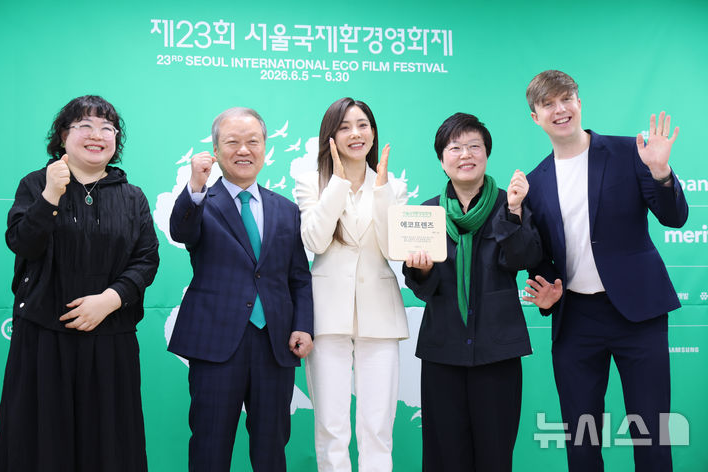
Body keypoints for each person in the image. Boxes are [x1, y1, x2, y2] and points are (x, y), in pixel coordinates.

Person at [522, 70, 688, 472]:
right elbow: (541, 257)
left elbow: (675, 217)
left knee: (652, 437)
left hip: (639, 314)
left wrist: (661, 173)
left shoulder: (630, 152)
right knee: (581, 443)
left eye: (566, 99)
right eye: (548, 104)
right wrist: (547, 295)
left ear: (579, 103)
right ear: (535, 117)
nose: (560, 109)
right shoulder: (534, 182)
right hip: (576, 320)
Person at [0, 95, 160, 471]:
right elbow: (23, 243)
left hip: (110, 338)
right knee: (40, 444)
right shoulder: (35, 184)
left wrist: (111, 299)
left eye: (106, 128)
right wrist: (51, 195)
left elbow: (146, 258)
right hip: (43, 339)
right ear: (63, 136)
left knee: (110, 445)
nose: (96, 135)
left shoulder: (132, 196)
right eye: (84, 126)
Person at [168, 107, 314, 471]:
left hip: (275, 345)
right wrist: (196, 187)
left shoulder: (286, 209)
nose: (244, 150)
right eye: (232, 142)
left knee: (271, 449)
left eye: (253, 141)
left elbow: (299, 277)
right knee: (210, 446)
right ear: (216, 150)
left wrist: (303, 325)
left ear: (265, 147)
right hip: (216, 344)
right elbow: (181, 232)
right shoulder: (201, 202)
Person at [403, 113, 542, 471]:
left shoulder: (509, 204)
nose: (465, 154)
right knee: (444, 455)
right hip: (443, 350)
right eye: (455, 148)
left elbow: (523, 259)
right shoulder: (427, 214)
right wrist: (422, 270)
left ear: (486, 154)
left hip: (497, 350)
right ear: (441, 159)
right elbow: (421, 288)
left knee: (495, 454)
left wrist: (514, 212)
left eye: (474, 146)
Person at [294, 97, 408, 471]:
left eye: (362, 125)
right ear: (330, 136)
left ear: (373, 133)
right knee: (331, 426)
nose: (355, 134)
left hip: (380, 315)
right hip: (328, 316)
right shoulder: (311, 182)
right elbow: (315, 241)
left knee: (378, 427)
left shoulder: (392, 185)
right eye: (344, 127)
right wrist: (339, 185)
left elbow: (393, 248)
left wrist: (382, 189)